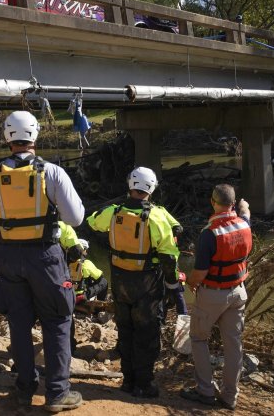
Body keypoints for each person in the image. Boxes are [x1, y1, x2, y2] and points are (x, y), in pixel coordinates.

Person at [0, 110, 85, 413]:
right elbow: (76, 218)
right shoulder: (52, 172)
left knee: (18, 320)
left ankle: (24, 389)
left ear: (7, 137)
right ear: (35, 135)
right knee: (58, 317)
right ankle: (57, 393)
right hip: (46, 257)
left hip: (7, 256)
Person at [87, 166, 181, 398]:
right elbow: (170, 257)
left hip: (120, 282)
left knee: (126, 330)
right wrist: (172, 287)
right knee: (147, 334)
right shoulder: (157, 216)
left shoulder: (114, 211)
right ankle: (144, 383)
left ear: (130, 186)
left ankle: (128, 381)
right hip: (147, 284)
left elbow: (92, 222)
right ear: (151, 188)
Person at [180, 184, 252, 411]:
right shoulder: (244, 224)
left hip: (214, 293)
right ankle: (230, 396)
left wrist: (190, 282)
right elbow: (247, 215)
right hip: (238, 291)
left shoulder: (209, 233)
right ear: (233, 204)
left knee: (199, 339)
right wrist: (245, 208)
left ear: (212, 202)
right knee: (234, 344)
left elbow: (200, 273)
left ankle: (205, 391)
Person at [58, 222, 109, 353]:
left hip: (62, 295)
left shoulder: (59, 262)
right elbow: (102, 281)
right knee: (103, 282)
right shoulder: (86, 264)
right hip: (79, 297)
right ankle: (98, 312)